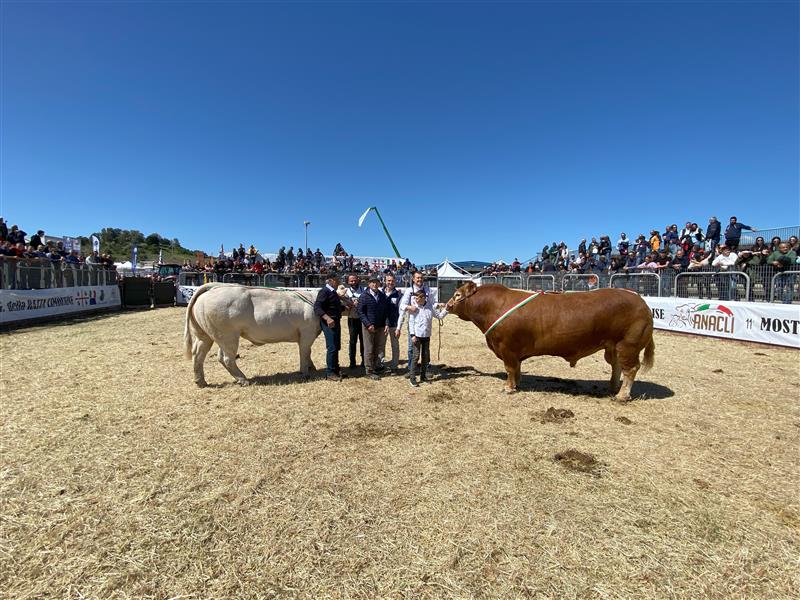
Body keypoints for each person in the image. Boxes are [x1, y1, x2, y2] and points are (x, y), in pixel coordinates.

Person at [400, 290, 447, 387]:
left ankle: (423, 376)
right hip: (417, 336)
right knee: (416, 356)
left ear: (424, 298)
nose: (416, 300)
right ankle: (412, 378)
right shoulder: (414, 308)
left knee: (425, 357)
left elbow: (439, 316)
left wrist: (446, 310)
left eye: (418, 298)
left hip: (426, 335)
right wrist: (412, 335)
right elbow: (411, 322)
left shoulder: (430, 307)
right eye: (416, 298)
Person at [397, 271, 433, 373]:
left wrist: (440, 308)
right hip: (414, 323)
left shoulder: (427, 290)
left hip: (425, 323)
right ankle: (411, 369)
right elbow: (402, 306)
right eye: (417, 278)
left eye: (421, 278)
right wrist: (409, 307)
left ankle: (426, 368)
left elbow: (432, 303)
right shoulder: (409, 291)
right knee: (411, 347)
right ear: (413, 279)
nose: (419, 280)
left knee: (426, 349)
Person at [357, 277, 389, 380]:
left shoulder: (382, 296)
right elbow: (360, 312)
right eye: (372, 283)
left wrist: (386, 324)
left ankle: (375, 366)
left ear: (379, 284)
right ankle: (369, 370)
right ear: (369, 284)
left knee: (377, 348)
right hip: (368, 326)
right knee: (369, 348)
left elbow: (386, 312)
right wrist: (368, 324)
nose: (374, 284)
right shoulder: (364, 296)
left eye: (376, 282)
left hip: (380, 326)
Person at [314, 274, 344, 381]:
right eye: (337, 280)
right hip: (329, 322)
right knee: (332, 346)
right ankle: (330, 372)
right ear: (330, 280)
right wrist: (327, 318)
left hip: (335, 321)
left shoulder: (332, 292)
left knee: (336, 346)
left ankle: (335, 369)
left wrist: (346, 306)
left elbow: (335, 306)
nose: (339, 282)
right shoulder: (325, 291)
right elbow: (317, 307)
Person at [379, 274, 401, 370]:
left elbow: (401, 310)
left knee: (395, 345)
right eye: (388, 280)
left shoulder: (398, 294)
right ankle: (380, 363)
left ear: (395, 281)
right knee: (381, 345)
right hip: (382, 324)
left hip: (394, 324)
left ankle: (394, 365)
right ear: (385, 281)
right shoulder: (380, 293)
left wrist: (399, 326)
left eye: (392, 281)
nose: (390, 283)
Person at [344, 273, 365, 370]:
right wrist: (348, 306)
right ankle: (352, 362)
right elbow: (343, 307)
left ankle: (364, 361)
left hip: (362, 319)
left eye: (355, 280)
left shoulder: (364, 290)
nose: (353, 282)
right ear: (348, 282)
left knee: (363, 341)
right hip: (352, 318)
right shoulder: (345, 292)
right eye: (351, 281)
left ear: (358, 280)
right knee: (352, 341)